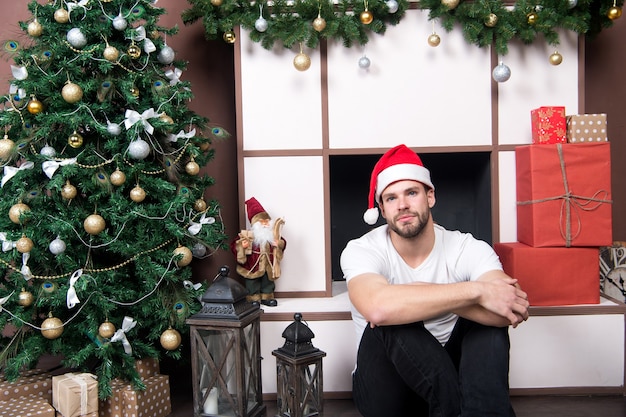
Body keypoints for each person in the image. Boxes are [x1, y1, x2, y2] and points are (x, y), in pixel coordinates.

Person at [340, 144, 529, 417]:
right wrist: (475, 292)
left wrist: (419, 296)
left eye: (412, 193)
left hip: (451, 377)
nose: (402, 204)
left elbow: (511, 306)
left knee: (486, 326)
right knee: (389, 320)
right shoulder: (362, 249)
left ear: (430, 196)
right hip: (387, 388)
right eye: (391, 198)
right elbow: (378, 307)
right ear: (381, 209)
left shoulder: (466, 247)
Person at [231, 197, 285, 306]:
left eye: (267, 221)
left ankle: (267, 297)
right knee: (252, 283)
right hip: (252, 266)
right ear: (255, 223)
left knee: (268, 282)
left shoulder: (271, 236)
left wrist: (278, 244)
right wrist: (242, 246)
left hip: (268, 265)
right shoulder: (248, 235)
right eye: (262, 222)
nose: (265, 224)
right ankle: (253, 298)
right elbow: (234, 245)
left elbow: (282, 243)